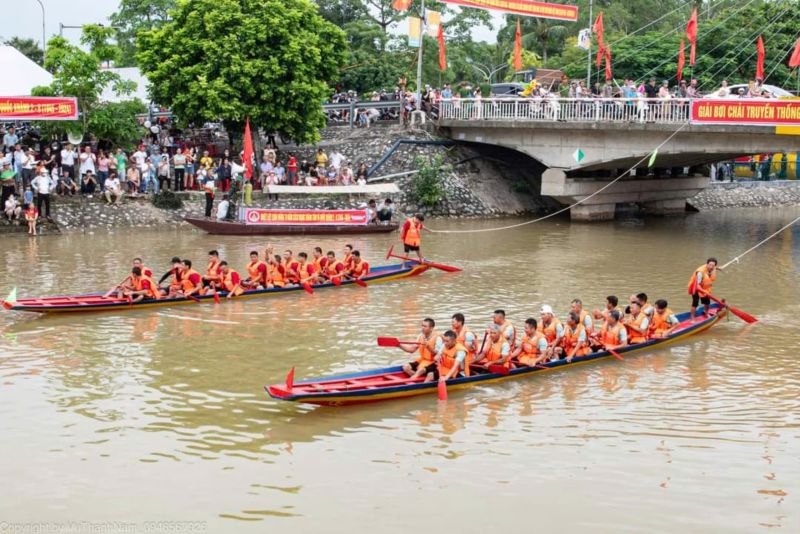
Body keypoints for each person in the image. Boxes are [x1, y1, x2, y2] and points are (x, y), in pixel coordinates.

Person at [399, 318, 443, 382]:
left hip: (433, 363)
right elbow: (412, 350)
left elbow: (437, 354)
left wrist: (428, 347)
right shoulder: (420, 336)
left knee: (420, 370)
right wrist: (399, 345)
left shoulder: (438, 338)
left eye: (425, 326)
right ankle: (419, 378)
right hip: (423, 360)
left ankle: (414, 380)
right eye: (422, 325)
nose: (422, 328)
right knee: (405, 367)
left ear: (431, 328)